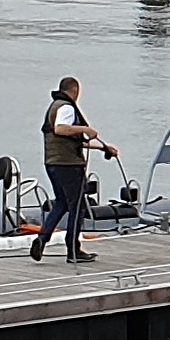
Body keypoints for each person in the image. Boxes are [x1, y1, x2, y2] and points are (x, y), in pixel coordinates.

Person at [29, 76, 120, 264]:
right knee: (77, 207)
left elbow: (68, 140)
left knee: (62, 203)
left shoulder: (54, 107)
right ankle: (73, 250)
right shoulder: (66, 107)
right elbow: (61, 129)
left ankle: (42, 239)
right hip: (68, 166)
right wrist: (86, 128)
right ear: (75, 91)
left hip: (53, 163)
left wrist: (103, 147)